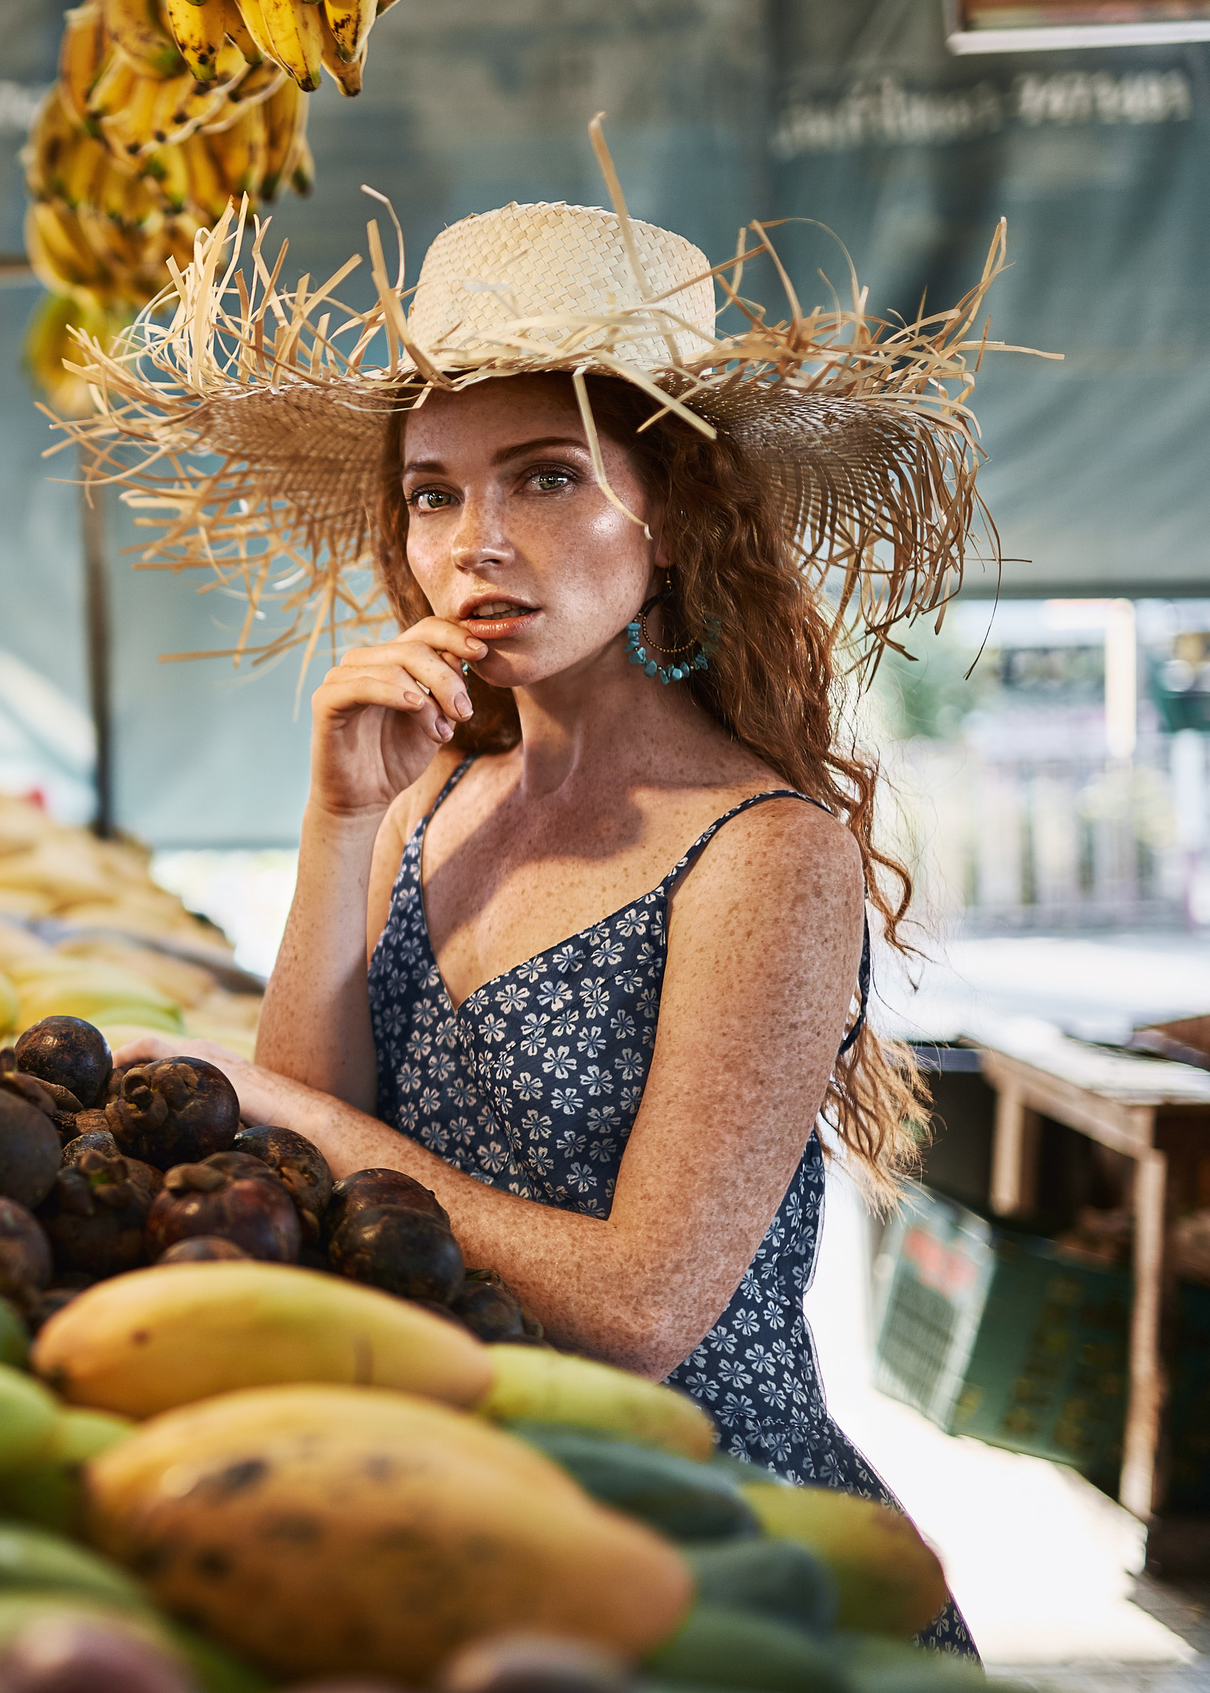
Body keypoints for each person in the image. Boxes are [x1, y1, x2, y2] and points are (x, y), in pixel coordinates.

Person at [68, 143, 1012, 1656]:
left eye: (548, 478)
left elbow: (647, 1309)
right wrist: (336, 825)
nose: (472, 546)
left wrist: (281, 1110)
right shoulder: (426, 791)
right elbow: (315, 1148)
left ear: (676, 515)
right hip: (460, 1497)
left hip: (714, 1546)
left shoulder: (764, 854)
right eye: (433, 496)